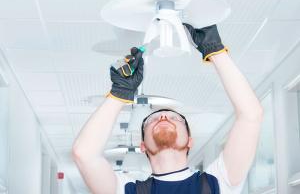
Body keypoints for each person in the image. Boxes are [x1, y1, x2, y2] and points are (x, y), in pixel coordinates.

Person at [72, 23, 264, 194]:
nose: (163, 117)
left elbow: (251, 115)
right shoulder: (127, 190)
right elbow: (84, 154)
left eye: (175, 118)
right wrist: (119, 93)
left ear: (190, 141)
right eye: (152, 120)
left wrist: (216, 51)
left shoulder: (219, 182)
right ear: (143, 146)